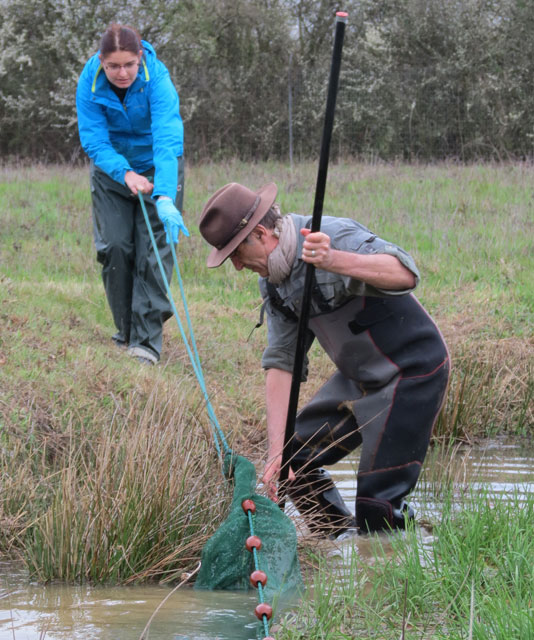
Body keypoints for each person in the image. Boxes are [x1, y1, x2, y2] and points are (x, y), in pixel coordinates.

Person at [198, 182, 450, 536]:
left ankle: (401, 553)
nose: (237, 266)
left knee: (377, 507)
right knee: (291, 463)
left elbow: (405, 273)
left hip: (413, 371)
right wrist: (274, 455)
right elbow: (283, 362)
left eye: (236, 254)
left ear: (260, 233)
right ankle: (342, 542)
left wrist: (334, 260)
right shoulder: (273, 282)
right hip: (360, 377)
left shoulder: (331, 236)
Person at [76, 23, 188, 365]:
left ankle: (146, 344)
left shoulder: (158, 81)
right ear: (101, 61)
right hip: (113, 174)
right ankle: (125, 333)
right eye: (113, 66)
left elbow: (168, 138)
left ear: (140, 58)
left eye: (128, 64)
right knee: (115, 248)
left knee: (151, 254)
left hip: (158, 171)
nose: (122, 73)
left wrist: (166, 195)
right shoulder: (89, 83)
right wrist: (124, 173)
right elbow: (94, 139)